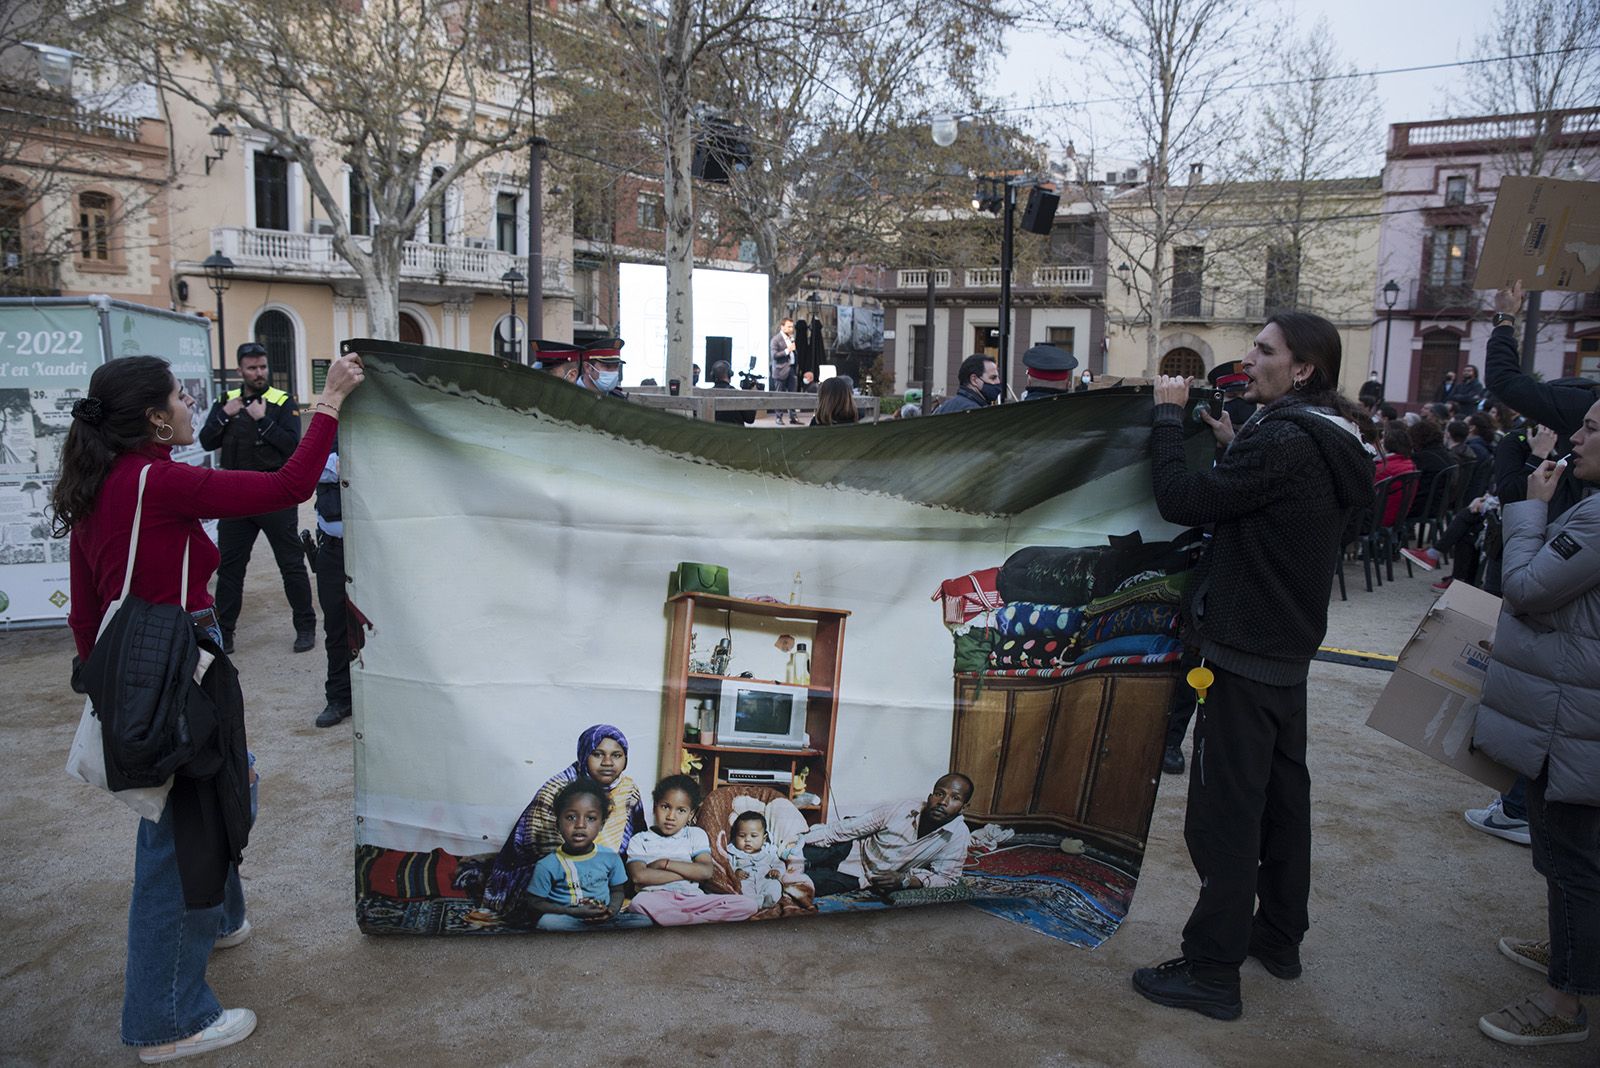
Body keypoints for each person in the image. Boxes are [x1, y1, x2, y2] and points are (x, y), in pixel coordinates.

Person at [54, 350, 362, 1061]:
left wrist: (106, 685)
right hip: (176, 663)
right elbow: (286, 485)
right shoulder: (157, 482)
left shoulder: (102, 480)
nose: (193, 402)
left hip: (147, 663)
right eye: (179, 397)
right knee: (177, 837)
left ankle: (222, 917)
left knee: (230, 784)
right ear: (158, 419)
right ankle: (166, 1018)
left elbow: (84, 611)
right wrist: (330, 402)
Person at [1132, 312, 1373, 1022]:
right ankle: (1277, 938)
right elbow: (1280, 507)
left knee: (1223, 819)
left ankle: (1211, 971)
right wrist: (1239, 446)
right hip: (1284, 653)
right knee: (1279, 806)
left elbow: (1182, 502)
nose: (1248, 358)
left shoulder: (1287, 444)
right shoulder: (1318, 436)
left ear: (1303, 370)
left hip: (1243, 654)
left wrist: (1167, 420)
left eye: (1265, 351)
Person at [1470, 393, 1600, 1048]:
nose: (1577, 436)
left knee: (1571, 854)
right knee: (1572, 850)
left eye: (1593, 428)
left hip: (1576, 722)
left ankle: (1565, 999)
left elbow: (1525, 586)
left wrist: (1529, 507)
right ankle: (1573, 951)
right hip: (1577, 713)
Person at [198, 342, 317, 655]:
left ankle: (305, 626)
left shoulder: (282, 401)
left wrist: (262, 420)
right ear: (240, 371)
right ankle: (225, 632)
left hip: (273, 494)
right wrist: (225, 415)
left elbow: (292, 446)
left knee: (291, 565)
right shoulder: (226, 401)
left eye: (262, 366)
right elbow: (206, 440)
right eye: (252, 368)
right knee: (230, 570)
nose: (259, 373)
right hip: (235, 496)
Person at [476, 725, 645, 917]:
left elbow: (638, 837)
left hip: (603, 868)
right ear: (584, 755)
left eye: (616, 755)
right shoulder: (557, 789)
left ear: (625, 759)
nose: (608, 762)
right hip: (559, 870)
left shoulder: (628, 789)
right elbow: (543, 851)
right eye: (597, 754)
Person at [800, 773, 974, 895]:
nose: (943, 802)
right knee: (790, 855)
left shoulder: (958, 835)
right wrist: (798, 840)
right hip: (847, 848)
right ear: (930, 796)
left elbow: (947, 878)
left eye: (955, 798)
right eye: (939, 794)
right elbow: (847, 828)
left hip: (861, 877)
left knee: (800, 882)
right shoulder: (903, 808)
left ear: (964, 807)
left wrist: (906, 880)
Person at [625, 775, 759, 925]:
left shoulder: (695, 835)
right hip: (656, 897)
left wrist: (664, 863)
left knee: (748, 905)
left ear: (690, 814)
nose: (671, 816)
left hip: (693, 899)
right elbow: (639, 876)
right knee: (638, 903)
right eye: (665, 807)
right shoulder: (640, 839)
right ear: (655, 806)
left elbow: (705, 871)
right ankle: (692, 922)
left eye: (681, 810)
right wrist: (689, 874)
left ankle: (685, 920)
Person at [527, 779, 651, 931]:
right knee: (547, 922)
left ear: (601, 824)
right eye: (571, 817)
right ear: (558, 823)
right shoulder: (548, 864)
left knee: (644, 922)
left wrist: (611, 911)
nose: (580, 825)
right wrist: (570, 911)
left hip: (603, 918)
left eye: (590, 818)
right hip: (568, 918)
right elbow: (534, 903)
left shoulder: (610, 857)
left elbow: (618, 891)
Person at [309, 438, 350, 728]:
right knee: (336, 625)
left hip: (378, 548)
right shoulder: (329, 425)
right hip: (333, 549)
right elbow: (305, 467)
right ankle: (339, 697)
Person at [725, 811, 786, 910]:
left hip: (765, 878)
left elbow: (779, 863)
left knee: (775, 885)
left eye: (753, 836)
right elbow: (726, 865)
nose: (747, 840)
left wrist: (777, 870)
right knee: (741, 889)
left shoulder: (768, 851)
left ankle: (769, 900)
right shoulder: (733, 852)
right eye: (742, 836)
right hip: (745, 881)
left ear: (764, 838)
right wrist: (735, 871)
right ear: (735, 836)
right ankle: (754, 903)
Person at [1374, 424, 1417, 527]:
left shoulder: (1383, 468)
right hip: (1397, 515)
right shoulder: (1408, 463)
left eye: (1382, 440)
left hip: (1380, 517)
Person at [933, 355, 1000, 414]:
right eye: (993, 378)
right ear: (974, 380)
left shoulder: (944, 407)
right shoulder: (976, 412)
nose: (998, 382)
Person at [770, 318, 798, 423]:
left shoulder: (791, 339)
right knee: (779, 395)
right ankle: (779, 417)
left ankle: (793, 417)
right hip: (780, 371)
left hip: (791, 369)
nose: (791, 329)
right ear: (782, 327)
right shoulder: (776, 339)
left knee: (793, 395)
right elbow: (774, 355)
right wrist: (787, 350)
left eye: (792, 326)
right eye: (789, 326)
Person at [708, 360, 754, 425]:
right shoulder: (737, 395)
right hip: (736, 434)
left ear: (712, 375)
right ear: (730, 374)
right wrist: (747, 394)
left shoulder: (707, 395)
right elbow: (750, 419)